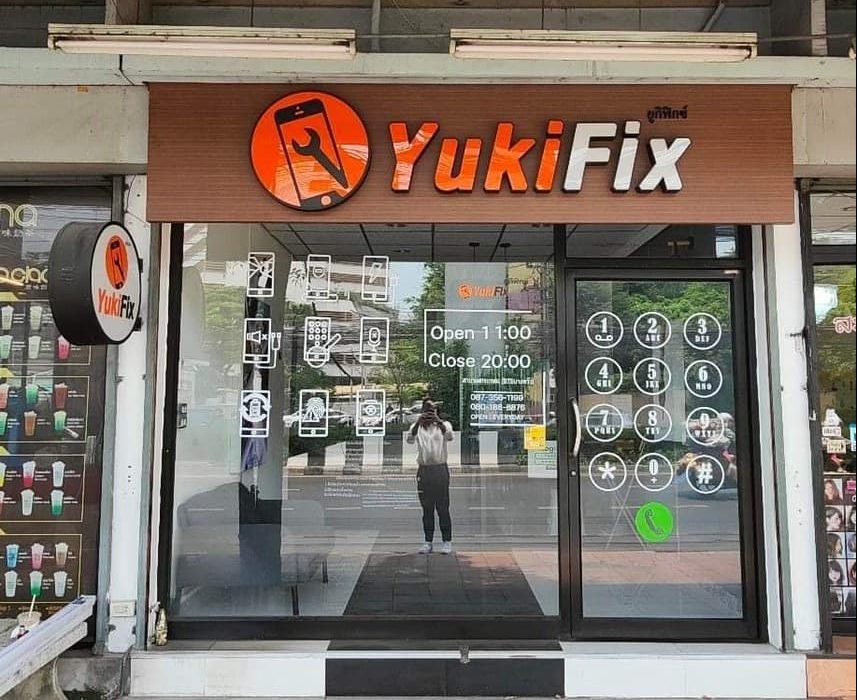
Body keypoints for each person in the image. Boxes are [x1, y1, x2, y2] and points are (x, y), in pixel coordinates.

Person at [407, 399, 454, 554]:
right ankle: (428, 542)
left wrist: (438, 421)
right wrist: (418, 422)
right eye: (426, 410)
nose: (429, 413)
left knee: (443, 508)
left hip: (440, 469)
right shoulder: (417, 427)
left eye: (431, 410)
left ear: (436, 411)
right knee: (427, 508)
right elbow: (409, 440)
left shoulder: (444, 425)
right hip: (424, 470)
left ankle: (447, 541)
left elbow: (450, 436)